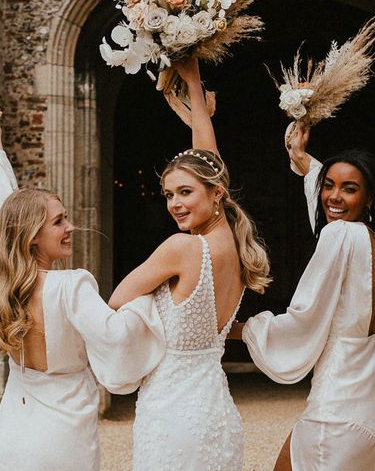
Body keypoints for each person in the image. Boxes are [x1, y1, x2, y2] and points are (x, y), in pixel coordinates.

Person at [0, 101, 166, 471]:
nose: (70, 227)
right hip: (63, 437)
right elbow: (119, 336)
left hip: (10, 435)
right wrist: (153, 295)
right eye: (59, 222)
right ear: (31, 237)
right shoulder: (71, 287)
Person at [108, 58, 272, 471]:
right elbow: (208, 158)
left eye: (184, 192)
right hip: (215, 411)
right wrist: (194, 86)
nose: (175, 204)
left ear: (216, 194)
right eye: (167, 195)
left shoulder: (182, 248)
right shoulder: (233, 242)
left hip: (172, 410)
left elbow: (116, 301)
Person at [230, 122, 375, 470]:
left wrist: (240, 329)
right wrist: (303, 159)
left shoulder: (339, 234)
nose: (333, 196)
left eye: (349, 189)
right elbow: (328, 208)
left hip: (338, 408)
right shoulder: (374, 240)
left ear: (368, 198)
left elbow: (304, 318)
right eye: (329, 186)